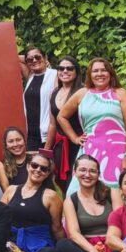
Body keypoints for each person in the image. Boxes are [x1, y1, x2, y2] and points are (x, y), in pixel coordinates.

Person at [59, 57, 126, 194]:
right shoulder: (82, 94)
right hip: (90, 151)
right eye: (95, 71)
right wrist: (75, 138)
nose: (99, 74)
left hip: (118, 153)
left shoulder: (120, 93)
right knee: (78, 193)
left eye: (103, 70)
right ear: (90, 74)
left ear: (110, 73)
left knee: (118, 192)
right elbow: (61, 117)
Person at [0, 149, 63, 252]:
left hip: (39, 244)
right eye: (34, 165)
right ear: (28, 166)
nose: (38, 170)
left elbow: (57, 227)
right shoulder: (11, 190)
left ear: (47, 174)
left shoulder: (51, 196)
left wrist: (63, 248)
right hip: (12, 243)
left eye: (43, 169)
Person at [57, 153, 121, 252]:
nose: (87, 175)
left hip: (114, 242)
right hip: (87, 247)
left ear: (98, 174)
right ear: (74, 172)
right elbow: (74, 233)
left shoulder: (112, 193)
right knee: (62, 244)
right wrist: (93, 251)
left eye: (92, 171)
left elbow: (121, 223)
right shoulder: (70, 201)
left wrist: (113, 250)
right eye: (82, 170)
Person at [44, 55, 81, 187]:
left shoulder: (82, 92)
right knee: (63, 182)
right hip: (61, 145)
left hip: (79, 144)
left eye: (69, 68)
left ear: (76, 71)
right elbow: (52, 124)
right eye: (61, 68)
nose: (65, 71)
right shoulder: (54, 92)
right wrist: (46, 150)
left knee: (76, 180)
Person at [19, 47, 57, 151]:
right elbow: (15, 58)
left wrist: (47, 146)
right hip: (31, 134)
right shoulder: (30, 76)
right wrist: (31, 59)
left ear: (45, 57)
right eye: (30, 59)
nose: (34, 60)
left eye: (38, 57)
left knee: (47, 160)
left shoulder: (55, 75)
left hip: (48, 134)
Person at [0, 127, 28, 191]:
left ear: (24, 141)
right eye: (11, 141)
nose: (15, 144)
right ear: (6, 145)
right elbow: (7, 191)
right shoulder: (2, 165)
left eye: (18, 140)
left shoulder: (35, 159)